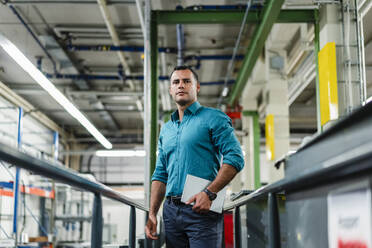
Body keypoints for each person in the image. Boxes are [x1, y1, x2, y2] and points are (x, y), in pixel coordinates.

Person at [145, 65, 244, 247]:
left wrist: (209, 193)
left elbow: (235, 157)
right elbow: (160, 173)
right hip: (171, 212)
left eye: (186, 81)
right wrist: (152, 212)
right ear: (170, 89)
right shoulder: (166, 129)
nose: (181, 85)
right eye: (176, 82)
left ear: (197, 87)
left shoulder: (213, 118)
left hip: (202, 210)